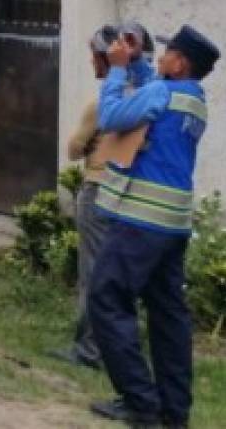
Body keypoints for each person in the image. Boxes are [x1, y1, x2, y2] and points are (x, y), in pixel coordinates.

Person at [87, 25, 220, 428]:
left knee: (106, 300)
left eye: (166, 54)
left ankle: (140, 403)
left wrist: (115, 70)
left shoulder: (163, 93)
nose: (159, 58)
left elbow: (111, 117)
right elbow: (154, 94)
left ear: (180, 63)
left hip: (141, 219)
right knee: (168, 316)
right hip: (172, 224)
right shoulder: (193, 99)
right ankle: (174, 412)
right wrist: (139, 63)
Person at [52, 22, 154, 370]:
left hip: (99, 189)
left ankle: (90, 349)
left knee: (93, 272)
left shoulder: (101, 103)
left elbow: (74, 149)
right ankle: (121, 347)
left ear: (106, 57)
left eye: (94, 55)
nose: (92, 62)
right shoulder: (148, 95)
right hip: (134, 194)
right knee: (123, 275)